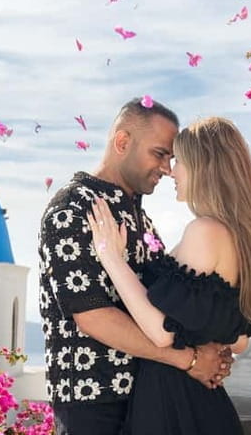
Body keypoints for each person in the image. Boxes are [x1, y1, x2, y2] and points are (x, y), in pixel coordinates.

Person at [38, 99, 234, 435]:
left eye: (172, 158)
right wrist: (188, 360)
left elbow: (165, 305)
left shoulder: (138, 215)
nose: (168, 168)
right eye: (159, 154)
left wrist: (211, 348)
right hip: (95, 401)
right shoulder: (73, 209)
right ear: (122, 142)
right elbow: (93, 315)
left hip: (149, 397)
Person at [87, 116, 251, 434]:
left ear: (204, 168)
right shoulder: (240, 237)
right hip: (203, 404)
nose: (171, 170)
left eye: (180, 160)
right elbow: (237, 341)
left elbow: (161, 333)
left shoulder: (205, 231)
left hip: (173, 406)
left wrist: (111, 258)